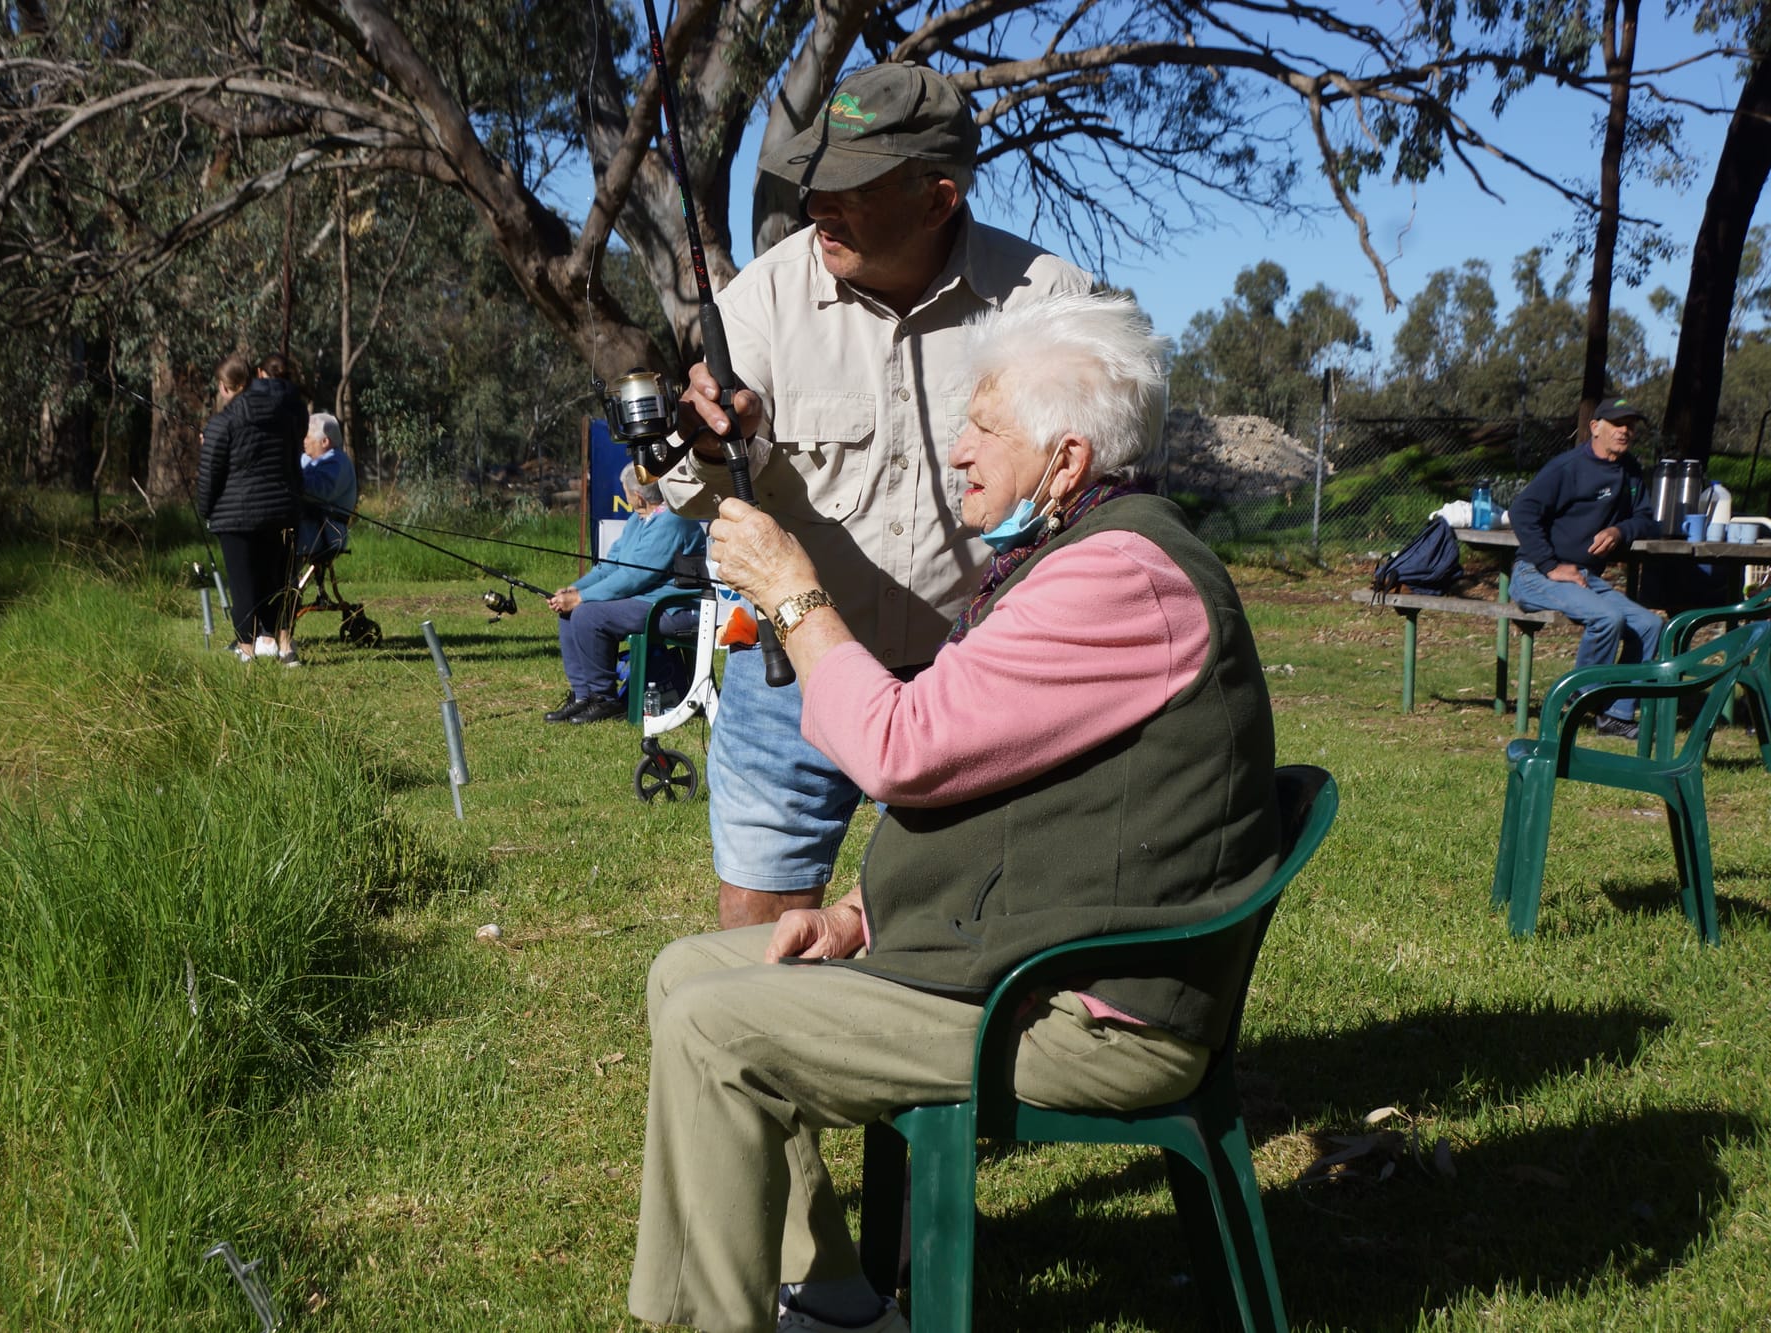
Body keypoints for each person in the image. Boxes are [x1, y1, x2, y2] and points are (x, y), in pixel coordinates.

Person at [628, 293, 1280, 1333]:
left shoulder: (1115, 579)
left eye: (983, 425)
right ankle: (840, 1304)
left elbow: (898, 751)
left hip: (1088, 1016)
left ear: (1066, 460)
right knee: (688, 974)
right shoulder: (1070, 561)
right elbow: (1004, 795)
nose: (957, 447)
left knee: (719, 1025)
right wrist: (856, 919)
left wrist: (794, 591)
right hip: (1039, 960)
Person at [659, 61, 1102, 929]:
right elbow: (680, 484)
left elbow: (1104, 492)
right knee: (759, 918)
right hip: (789, 668)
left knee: (964, 915)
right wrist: (712, 438)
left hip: (975, 678)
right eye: (811, 178)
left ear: (938, 199)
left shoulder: (1049, 304)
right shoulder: (763, 300)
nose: (817, 203)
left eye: (850, 186)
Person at [1507, 397, 1664, 740]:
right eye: (1617, 423)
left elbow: (1646, 520)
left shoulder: (1630, 469)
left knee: (1649, 624)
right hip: (1534, 574)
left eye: (1630, 425)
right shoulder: (1567, 467)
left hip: (1585, 577)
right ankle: (1576, 698)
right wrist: (1550, 565)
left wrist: (1620, 531)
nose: (1625, 431)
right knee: (1608, 618)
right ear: (1595, 427)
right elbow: (1522, 511)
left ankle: (1617, 716)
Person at [544, 465, 709, 725]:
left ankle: (604, 699)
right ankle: (582, 697)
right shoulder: (638, 520)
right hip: (645, 600)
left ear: (637, 496)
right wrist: (575, 590)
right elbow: (611, 567)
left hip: (673, 608)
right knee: (570, 613)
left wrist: (582, 599)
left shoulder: (673, 520)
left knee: (588, 615)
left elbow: (634, 578)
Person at [197, 353, 308, 666]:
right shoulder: (285, 418)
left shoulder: (223, 422)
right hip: (282, 512)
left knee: (243, 584)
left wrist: (205, 510)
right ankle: (286, 649)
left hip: (236, 517)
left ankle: (247, 651)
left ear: (227, 387)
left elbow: (209, 476)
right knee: (280, 582)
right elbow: (293, 464)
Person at [297, 412, 357, 564]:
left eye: (308, 437)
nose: (304, 441)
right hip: (309, 527)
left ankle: (285, 585)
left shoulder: (337, 463)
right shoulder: (307, 458)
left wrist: (290, 478)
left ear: (324, 441)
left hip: (325, 533)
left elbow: (317, 491)